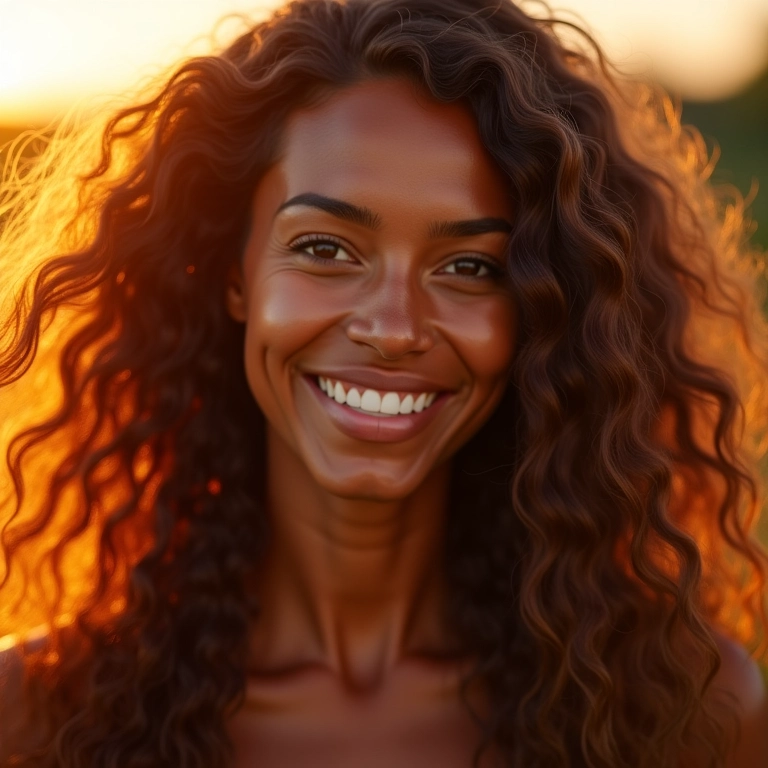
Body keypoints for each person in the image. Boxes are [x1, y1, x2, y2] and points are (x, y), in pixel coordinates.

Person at [0, 0, 766, 765]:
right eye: (327, 249)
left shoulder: (689, 710)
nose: (394, 327)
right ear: (233, 272)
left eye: (470, 268)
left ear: (540, 311)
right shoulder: (34, 720)